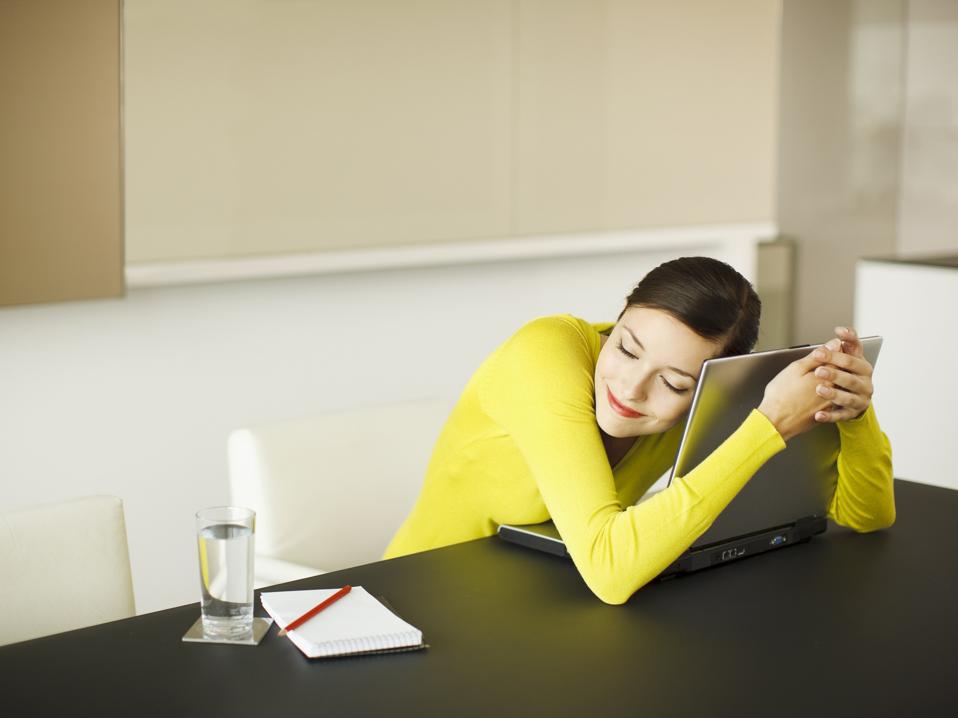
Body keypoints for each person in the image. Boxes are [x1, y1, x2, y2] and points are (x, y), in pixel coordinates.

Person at [383, 257, 894, 604]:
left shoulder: (705, 398)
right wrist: (766, 428)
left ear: (704, 388)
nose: (629, 389)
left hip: (539, 604)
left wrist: (854, 413)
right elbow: (610, 571)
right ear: (620, 313)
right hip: (417, 600)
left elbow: (865, 515)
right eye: (626, 347)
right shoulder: (543, 355)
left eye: (672, 383)